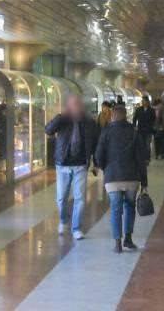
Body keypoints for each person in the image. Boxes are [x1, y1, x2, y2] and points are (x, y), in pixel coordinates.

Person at [45, 95, 99, 240]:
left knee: (80, 198)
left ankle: (76, 228)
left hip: (81, 165)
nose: (75, 107)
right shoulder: (62, 120)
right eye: (72, 104)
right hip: (62, 164)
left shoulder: (89, 122)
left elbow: (95, 143)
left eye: (78, 104)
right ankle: (63, 220)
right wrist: (61, 115)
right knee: (61, 198)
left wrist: (96, 163)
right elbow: (48, 130)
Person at [95, 105, 148, 253]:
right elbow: (141, 159)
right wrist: (144, 182)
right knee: (130, 207)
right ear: (126, 116)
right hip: (132, 178)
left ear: (113, 116)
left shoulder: (106, 132)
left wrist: (105, 167)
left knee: (115, 209)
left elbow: (99, 155)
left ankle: (117, 243)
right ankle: (129, 239)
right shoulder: (134, 132)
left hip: (112, 178)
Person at [133, 96, 156, 162]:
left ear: (147, 102)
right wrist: (134, 126)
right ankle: (142, 157)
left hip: (148, 130)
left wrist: (152, 126)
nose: (143, 102)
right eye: (142, 101)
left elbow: (154, 119)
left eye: (144, 101)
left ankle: (147, 158)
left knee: (147, 145)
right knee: (141, 144)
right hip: (140, 130)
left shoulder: (151, 110)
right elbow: (135, 118)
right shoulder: (138, 109)